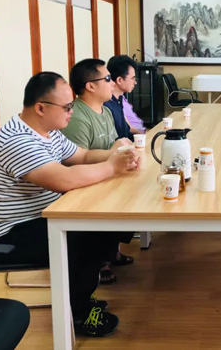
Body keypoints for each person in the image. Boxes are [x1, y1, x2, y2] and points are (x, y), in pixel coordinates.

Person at [0, 72, 138, 337]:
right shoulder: (17, 140)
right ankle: (80, 313)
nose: (72, 111)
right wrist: (111, 167)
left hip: (38, 220)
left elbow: (82, 156)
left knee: (100, 227)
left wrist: (115, 154)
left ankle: (80, 295)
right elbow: (64, 179)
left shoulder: (48, 133)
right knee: (87, 237)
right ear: (40, 108)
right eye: (67, 107)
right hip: (8, 236)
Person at [62, 58, 135, 283]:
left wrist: (124, 155)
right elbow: (75, 161)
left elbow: (112, 146)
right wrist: (114, 156)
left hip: (105, 176)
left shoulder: (105, 111)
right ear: (91, 86)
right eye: (107, 78)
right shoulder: (77, 116)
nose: (112, 83)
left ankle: (110, 252)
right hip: (85, 185)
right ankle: (100, 260)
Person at [105, 55, 137, 140]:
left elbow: (126, 130)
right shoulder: (106, 105)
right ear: (119, 80)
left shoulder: (119, 99)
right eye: (133, 79)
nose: (135, 82)